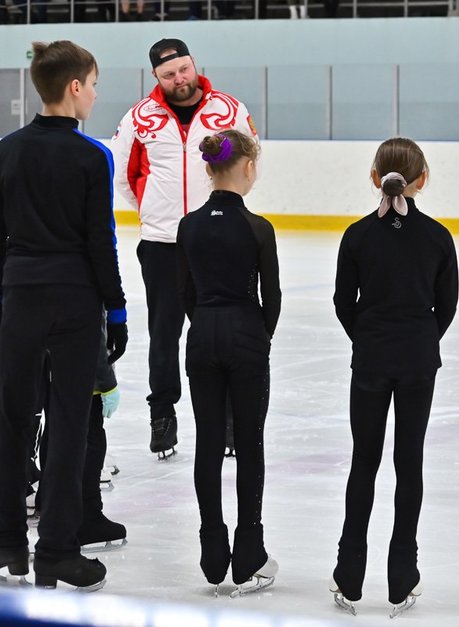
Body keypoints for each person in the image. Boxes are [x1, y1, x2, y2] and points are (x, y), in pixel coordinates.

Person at [0, 40, 128, 591]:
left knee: (14, 421)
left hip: (19, 298)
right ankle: (58, 551)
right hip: (74, 303)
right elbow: (99, 240)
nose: (96, 92)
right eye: (95, 82)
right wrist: (116, 310)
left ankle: (7, 540)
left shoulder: (8, 152)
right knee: (67, 425)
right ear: (75, 87)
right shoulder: (92, 157)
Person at [329, 137, 459, 618]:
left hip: (371, 358)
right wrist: (422, 339)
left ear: (374, 176)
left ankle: (348, 573)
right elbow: (446, 306)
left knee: (364, 460)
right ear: (422, 179)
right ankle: (403, 574)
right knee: (409, 461)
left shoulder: (359, 235)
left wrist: (367, 338)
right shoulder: (438, 237)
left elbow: (344, 303)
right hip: (417, 360)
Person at [112, 38, 257, 460]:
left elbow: (248, 165)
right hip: (162, 244)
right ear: (155, 77)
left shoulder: (228, 111)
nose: (179, 79)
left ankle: (228, 419)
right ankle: (162, 416)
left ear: (194, 66)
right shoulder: (140, 118)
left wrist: (225, 214)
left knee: (221, 332)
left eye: (184, 70)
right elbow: (124, 175)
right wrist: (153, 211)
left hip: (217, 241)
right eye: (168, 74)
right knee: (164, 333)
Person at [175, 130, 280, 596]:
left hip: (202, 337)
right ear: (248, 167)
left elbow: (186, 293)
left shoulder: (188, 225)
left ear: (208, 169)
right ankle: (249, 547)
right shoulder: (258, 228)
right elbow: (271, 298)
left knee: (208, 441)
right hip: (245, 334)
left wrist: (206, 324)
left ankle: (212, 547)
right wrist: (258, 337)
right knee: (249, 443)